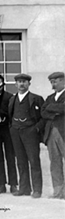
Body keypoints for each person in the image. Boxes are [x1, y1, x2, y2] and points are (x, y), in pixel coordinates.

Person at [9, 73, 45, 199]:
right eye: (19, 82)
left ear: (29, 84)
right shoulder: (12, 99)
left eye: (24, 82)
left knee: (34, 161)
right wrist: (12, 128)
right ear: (16, 84)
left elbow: (43, 117)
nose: (22, 84)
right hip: (16, 132)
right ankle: (24, 188)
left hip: (30, 133)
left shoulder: (36, 98)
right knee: (21, 161)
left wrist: (36, 129)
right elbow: (10, 115)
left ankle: (37, 190)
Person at [0, 74, 18, 194]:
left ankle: (13, 184)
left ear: (3, 84)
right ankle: (1, 184)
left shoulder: (10, 97)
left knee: (10, 157)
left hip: (7, 130)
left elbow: (14, 113)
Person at [41, 72, 65, 200]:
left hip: (63, 132)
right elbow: (43, 112)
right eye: (51, 82)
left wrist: (51, 108)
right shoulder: (50, 98)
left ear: (63, 81)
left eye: (55, 81)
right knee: (54, 163)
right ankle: (58, 192)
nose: (53, 84)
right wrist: (54, 112)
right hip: (51, 133)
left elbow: (63, 108)